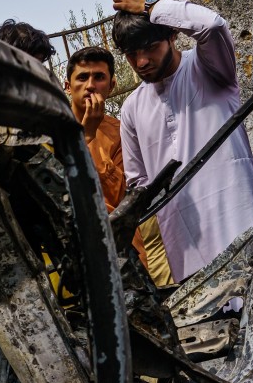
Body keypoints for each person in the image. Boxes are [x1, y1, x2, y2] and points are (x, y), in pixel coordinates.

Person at [112, 0, 253, 283]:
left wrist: (153, 4)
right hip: (187, 252)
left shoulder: (208, 69)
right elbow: (139, 184)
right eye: (131, 54)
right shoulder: (130, 109)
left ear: (172, 35)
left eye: (150, 48)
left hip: (243, 227)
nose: (141, 62)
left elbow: (212, 25)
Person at [64, 46, 174, 286]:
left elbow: (120, 197)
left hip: (121, 250)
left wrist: (90, 136)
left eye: (99, 77)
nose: (90, 85)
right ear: (68, 86)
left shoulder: (120, 130)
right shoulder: (51, 130)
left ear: (111, 85)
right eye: (82, 77)